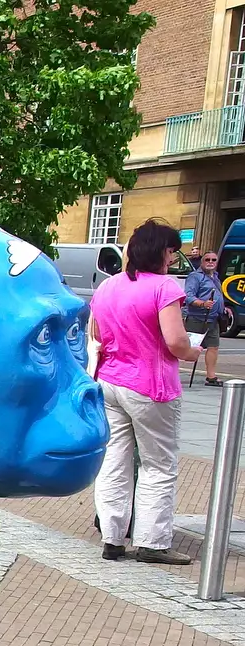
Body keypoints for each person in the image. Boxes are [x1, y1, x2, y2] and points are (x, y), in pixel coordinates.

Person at [89, 218, 203, 567]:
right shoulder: (164, 288)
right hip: (151, 386)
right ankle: (152, 542)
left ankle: (112, 537)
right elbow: (175, 342)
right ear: (161, 251)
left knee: (114, 460)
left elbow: (97, 333)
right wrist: (193, 351)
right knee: (159, 464)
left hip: (110, 381)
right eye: (171, 250)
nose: (172, 257)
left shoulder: (108, 287)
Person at [183, 249, 225, 387]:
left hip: (213, 319)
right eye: (207, 260)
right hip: (197, 318)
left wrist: (223, 308)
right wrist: (202, 303)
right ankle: (167, 373)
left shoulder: (216, 277)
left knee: (213, 347)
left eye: (213, 260)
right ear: (202, 262)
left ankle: (211, 377)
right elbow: (188, 296)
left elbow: (217, 295)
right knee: (187, 348)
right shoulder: (195, 277)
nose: (211, 262)